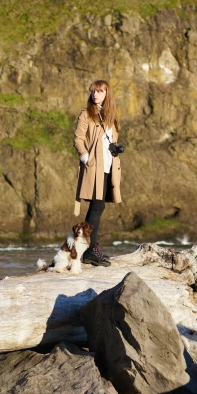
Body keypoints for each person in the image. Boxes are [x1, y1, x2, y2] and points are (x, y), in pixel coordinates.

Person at [73, 79, 122, 266]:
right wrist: (87, 159)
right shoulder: (86, 114)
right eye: (93, 91)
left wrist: (115, 149)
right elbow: (78, 139)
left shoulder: (111, 115)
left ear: (107, 94)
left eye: (100, 91)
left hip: (109, 165)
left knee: (98, 207)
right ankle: (89, 250)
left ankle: (87, 249)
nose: (95, 94)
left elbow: (110, 141)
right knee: (96, 206)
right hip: (95, 166)